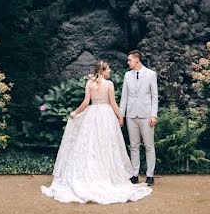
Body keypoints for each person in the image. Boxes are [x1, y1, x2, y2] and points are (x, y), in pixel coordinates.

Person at [40, 61, 153, 204]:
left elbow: (86, 102)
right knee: (105, 144)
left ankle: (91, 174)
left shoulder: (89, 83)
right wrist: (120, 116)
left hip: (92, 115)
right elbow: (113, 103)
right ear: (102, 70)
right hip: (106, 115)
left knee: (90, 145)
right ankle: (105, 174)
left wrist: (75, 112)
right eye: (108, 68)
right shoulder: (109, 84)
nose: (110, 70)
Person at [119, 50, 158, 185]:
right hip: (131, 115)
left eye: (129, 60)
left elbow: (154, 96)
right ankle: (135, 174)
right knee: (134, 146)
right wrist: (121, 115)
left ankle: (150, 175)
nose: (128, 62)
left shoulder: (151, 74)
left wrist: (154, 115)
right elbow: (124, 97)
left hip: (147, 115)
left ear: (137, 59)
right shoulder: (127, 75)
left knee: (149, 146)